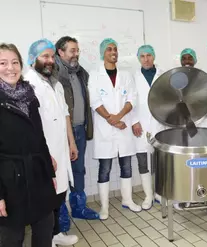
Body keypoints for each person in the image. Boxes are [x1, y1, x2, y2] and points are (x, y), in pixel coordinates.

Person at [0, 43, 57, 247]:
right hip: (9, 182)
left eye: (15, 62)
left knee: (44, 231)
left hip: (38, 175)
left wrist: (50, 174)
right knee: (12, 238)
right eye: (3, 63)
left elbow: (40, 138)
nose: (10, 68)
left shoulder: (29, 96)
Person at [25, 39, 79, 246]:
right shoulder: (28, 84)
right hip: (43, 151)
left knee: (59, 194)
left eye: (51, 56)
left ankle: (55, 234)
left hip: (61, 148)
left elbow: (65, 114)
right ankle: (47, 238)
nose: (49, 60)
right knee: (46, 197)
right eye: (44, 56)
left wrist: (71, 143)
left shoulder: (55, 83)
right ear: (33, 59)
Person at [89, 38, 141, 220]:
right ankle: (104, 207)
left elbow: (132, 98)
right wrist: (112, 120)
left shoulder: (126, 75)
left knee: (126, 165)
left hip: (123, 126)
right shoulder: (95, 75)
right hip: (105, 129)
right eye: (109, 49)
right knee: (104, 168)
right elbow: (95, 101)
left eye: (115, 49)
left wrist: (118, 118)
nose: (113, 52)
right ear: (103, 53)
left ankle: (127, 199)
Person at [55, 36, 99, 220]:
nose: (76, 54)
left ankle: (79, 208)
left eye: (77, 50)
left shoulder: (81, 73)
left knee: (78, 169)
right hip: (59, 133)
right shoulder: (53, 74)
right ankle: (60, 215)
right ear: (60, 52)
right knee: (60, 172)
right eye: (72, 50)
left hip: (79, 129)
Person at [131, 44, 164, 210]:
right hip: (141, 124)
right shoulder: (133, 77)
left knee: (159, 161)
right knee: (143, 161)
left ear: (154, 56)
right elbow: (130, 102)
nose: (146, 59)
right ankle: (148, 196)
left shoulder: (162, 75)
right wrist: (134, 121)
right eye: (142, 56)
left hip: (159, 124)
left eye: (149, 55)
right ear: (138, 58)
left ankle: (158, 193)